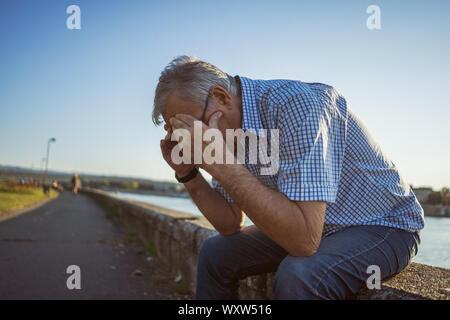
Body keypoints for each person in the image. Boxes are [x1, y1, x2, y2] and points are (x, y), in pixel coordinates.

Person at [153, 56, 424, 300]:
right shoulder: (226, 129)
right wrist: (188, 173)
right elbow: (229, 224)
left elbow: (304, 242)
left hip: (383, 225)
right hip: (310, 225)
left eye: (190, 128)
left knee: (300, 275)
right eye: (179, 131)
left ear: (221, 97)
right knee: (214, 253)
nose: (190, 140)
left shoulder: (297, 105)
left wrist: (222, 165)